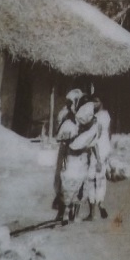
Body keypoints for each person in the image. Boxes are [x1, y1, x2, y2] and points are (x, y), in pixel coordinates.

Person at [56, 100, 102, 225]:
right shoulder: (79, 124)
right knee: (75, 184)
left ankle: (69, 213)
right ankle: (70, 213)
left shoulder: (79, 124)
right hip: (77, 157)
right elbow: (93, 144)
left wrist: (98, 160)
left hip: (78, 157)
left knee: (74, 184)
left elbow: (93, 143)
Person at [52, 89, 85, 221]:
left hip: (80, 154)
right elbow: (59, 134)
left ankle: (73, 212)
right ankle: (63, 211)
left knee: (78, 180)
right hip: (67, 153)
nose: (70, 105)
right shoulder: (65, 118)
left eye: (72, 102)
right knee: (64, 178)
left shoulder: (83, 118)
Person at [84, 95, 112, 221]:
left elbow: (95, 138)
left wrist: (97, 156)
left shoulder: (95, 118)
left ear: (101, 102)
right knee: (101, 179)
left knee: (91, 180)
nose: (94, 104)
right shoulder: (107, 115)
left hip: (97, 152)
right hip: (106, 149)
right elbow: (109, 133)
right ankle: (101, 202)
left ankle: (92, 213)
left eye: (96, 101)